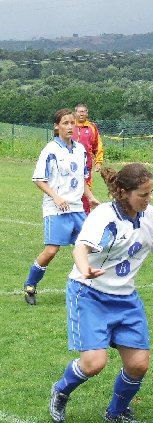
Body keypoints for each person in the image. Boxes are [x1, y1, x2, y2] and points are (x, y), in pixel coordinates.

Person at [49, 163, 153, 423]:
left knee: (138, 364)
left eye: (150, 193)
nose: (148, 199)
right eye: (143, 194)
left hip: (125, 299)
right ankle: (61, 390)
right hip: (89, 294)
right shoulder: (103, 216)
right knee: (94, 363)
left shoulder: (150, 215)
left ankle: (116, 412)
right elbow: (81, 248)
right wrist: (85, 267)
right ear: (123, 192)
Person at [23, 108, 100, 306]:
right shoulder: (50, 150)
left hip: (77, 208)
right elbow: (39, 179)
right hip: (55, 209)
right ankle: (30, 285)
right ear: (56, 126)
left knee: (89, 248)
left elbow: (82, 180)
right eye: (65, 123)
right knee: (51, 251)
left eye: (72, 123)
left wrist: (90, 198)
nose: (69, 127)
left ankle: (88, 288)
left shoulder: (80, 150)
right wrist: (56, 197)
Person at [73, 103, 104, 214]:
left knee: (85, 191)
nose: (82, 113)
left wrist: (98, 162)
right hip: (69, 164)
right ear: (75, 113)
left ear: (87, 113)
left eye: (84, 111)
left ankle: (86, 216)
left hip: (86, 165)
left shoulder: (92, 127)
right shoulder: (70, 126)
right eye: (79, 111)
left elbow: (97, 145)